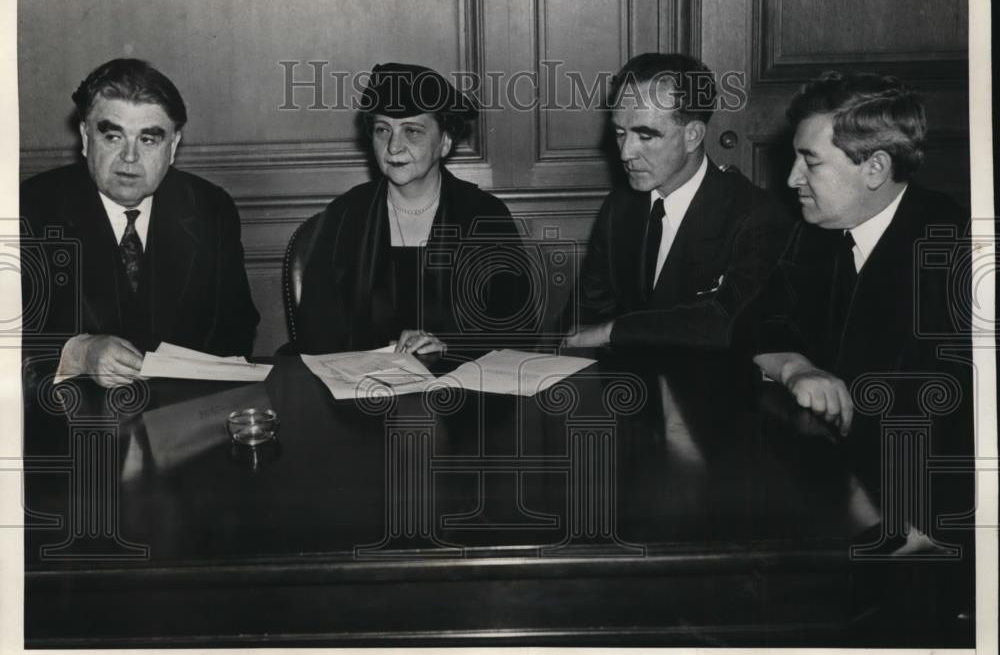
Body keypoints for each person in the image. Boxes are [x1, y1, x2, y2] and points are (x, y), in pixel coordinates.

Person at [750, 71, 970, 436]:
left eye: (811, 162)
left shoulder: (953, 250)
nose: (792, 179)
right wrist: (795, 368)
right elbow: (762, 319)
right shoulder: (814, 231)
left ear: (875, 168)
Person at [20, 58, 260, 388]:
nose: (130, 158)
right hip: (72, 421)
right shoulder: (28, 209)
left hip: (183, 419)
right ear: (86, 137)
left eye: (149, 139)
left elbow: (236, 331)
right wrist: (76, 355)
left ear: (173, 146)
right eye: (113, 137)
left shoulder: (210, 207)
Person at [294, 62, 534, 355]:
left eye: (412, 131)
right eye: (383, 130)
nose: (393, 147)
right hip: (361, 391)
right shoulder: (344, 216)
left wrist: (450, 348)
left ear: (445, 142)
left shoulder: (484, 216)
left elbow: (519, 332)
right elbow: (316, 334)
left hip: (459, 390)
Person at [560, 53, 790, 350]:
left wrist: (613, 331)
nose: (625, 153)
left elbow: (731, 325)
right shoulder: (620, 207)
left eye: (646, 135)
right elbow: (583, 316)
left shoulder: (757, 216)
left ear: (693, 135)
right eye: (619, 133)